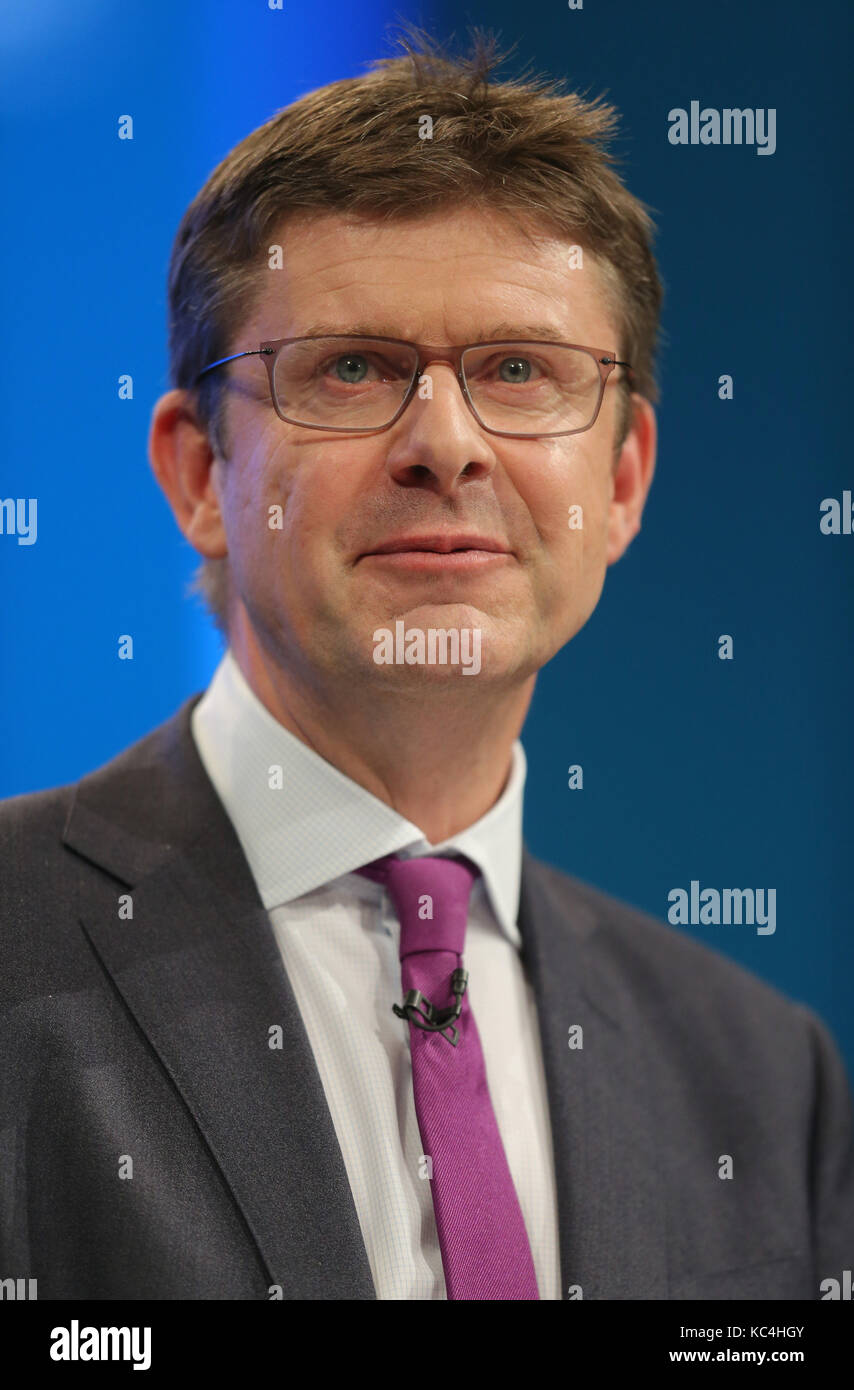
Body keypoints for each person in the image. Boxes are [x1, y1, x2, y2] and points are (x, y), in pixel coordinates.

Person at [1, 32, 852, 1302]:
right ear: (197, 476)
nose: (444, 445)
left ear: (619, 482)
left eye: (519, 370)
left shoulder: (762, 1075)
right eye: (352, 368)